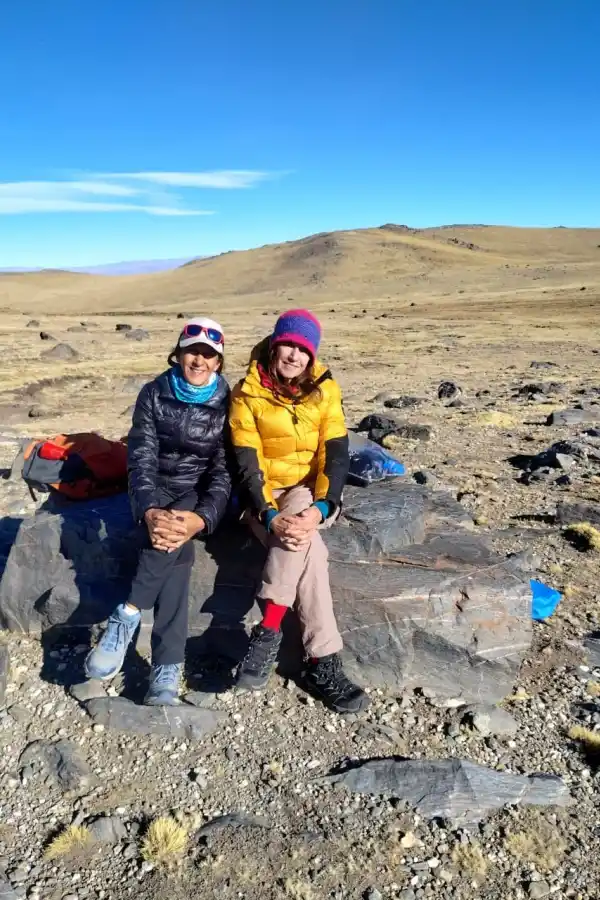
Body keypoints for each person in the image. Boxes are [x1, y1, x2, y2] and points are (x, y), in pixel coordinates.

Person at [229, 309, 370, 714]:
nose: (294, 355)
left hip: (306, 492)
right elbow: (245, 461)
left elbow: (336, 455)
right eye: (288, 344)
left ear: (312, 356)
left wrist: (324, 507)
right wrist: (267, 514)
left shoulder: (326, 392)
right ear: (274, 345)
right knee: (314, 552)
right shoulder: (246, 394)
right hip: (262, 496)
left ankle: (268, 630)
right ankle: (322, 662)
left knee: (303, 531)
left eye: (303, 349)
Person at [85, 317, 231, 705]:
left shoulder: (227, 403)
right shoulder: (153, 393)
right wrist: (148, 510)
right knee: (175, 552)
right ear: (178, 354)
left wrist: (202, 518)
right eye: (192, 352)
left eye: (208, 354)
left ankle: (127, 614)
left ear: (218, 362)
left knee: (174, 537)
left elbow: (222, 471)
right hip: (157, 489)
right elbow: (141, 458)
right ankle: (167, 669)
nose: (199, 360)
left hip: (195, 493)